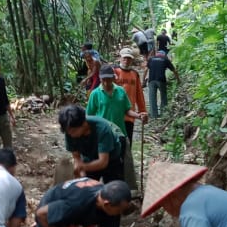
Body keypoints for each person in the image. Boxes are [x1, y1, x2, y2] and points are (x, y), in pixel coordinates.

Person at [58, 104, 124, 184]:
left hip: (111, 158)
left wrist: (81, 167)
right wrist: (81, 172)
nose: (70, 135)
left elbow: (103, 162)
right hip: (89, 158)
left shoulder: (102, 128)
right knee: (86, 187)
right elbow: (76, 156)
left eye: (73, 132)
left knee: (113, 189)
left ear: (84, 124)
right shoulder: (69, 130)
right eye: (68, 132)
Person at [113, 49, 148, 192]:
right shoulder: (114, 72)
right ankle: (114, 176)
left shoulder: (134, 74)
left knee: (126, 146)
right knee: (114, 146)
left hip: (130, 116)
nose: (126, 60)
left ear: (132, 60)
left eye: (129, 58)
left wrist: (143, 111)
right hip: (115, 116)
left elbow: (139, 93)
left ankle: (125, 176)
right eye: (124, 58)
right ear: (120, 58)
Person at [145, 48, 180, 118]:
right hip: (161, 80)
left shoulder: (151, 59)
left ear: (157, 54)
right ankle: (164, 114)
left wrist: (143, 81)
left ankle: (154, 115)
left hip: (151, 80)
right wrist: (178, 80)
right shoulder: (165, 59)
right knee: (163, 97)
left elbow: (146, 69)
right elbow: (174, 70)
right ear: (164, 55)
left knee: (152, 98)